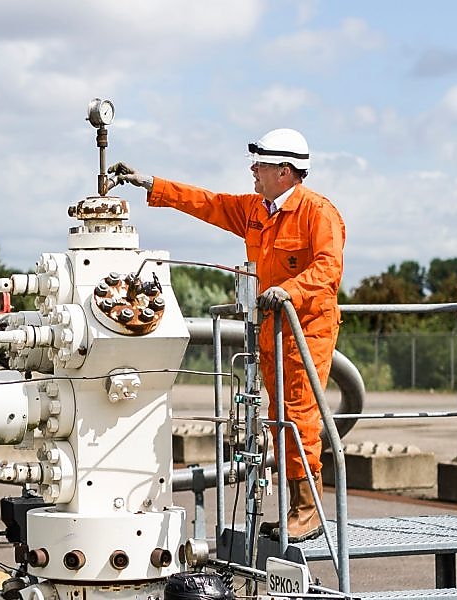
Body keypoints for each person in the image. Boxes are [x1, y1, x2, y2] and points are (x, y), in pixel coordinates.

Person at [109, 128, 345, 542]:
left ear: (285, 172)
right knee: (278, 420)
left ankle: (308, 509)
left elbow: (328, 269)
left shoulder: (317, 213)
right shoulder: (258, 210)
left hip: (306, 330)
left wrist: (286, 291)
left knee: (301, 418)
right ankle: (297, 505)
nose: (253, 170)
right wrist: (151, 183)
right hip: (272, 329)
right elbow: (209, 204)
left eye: (262, 165)